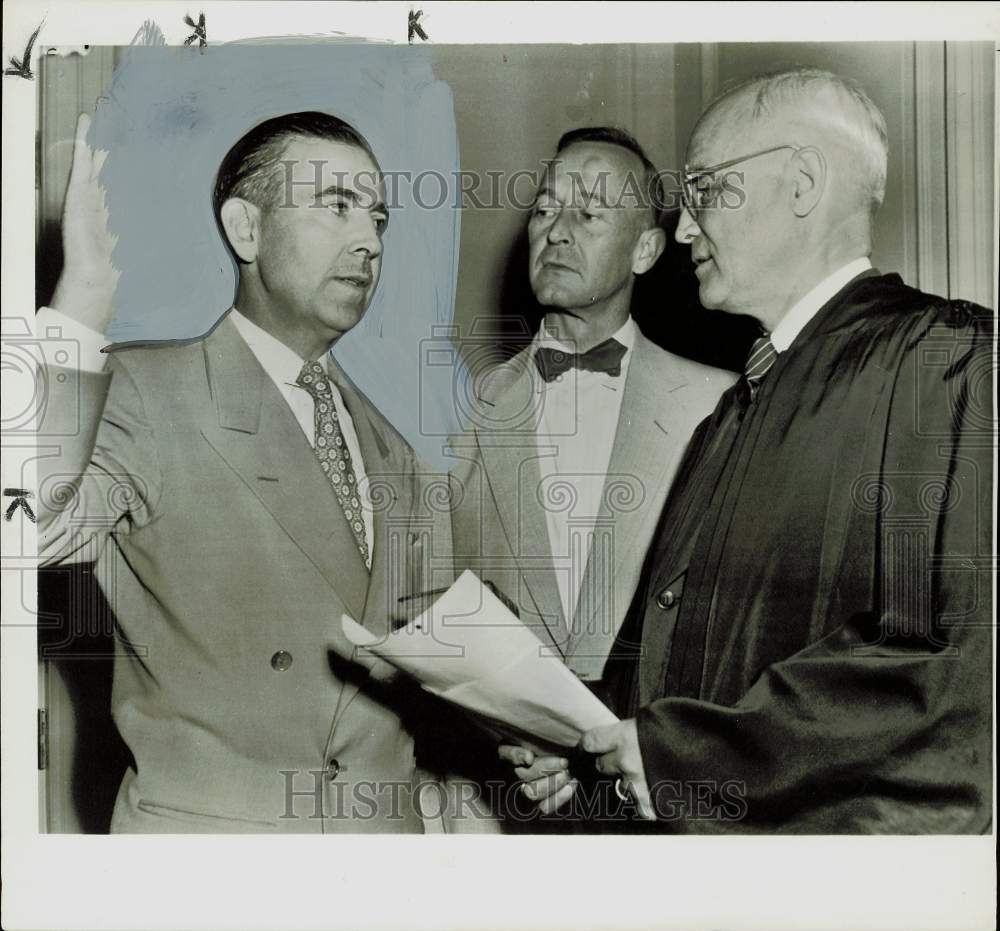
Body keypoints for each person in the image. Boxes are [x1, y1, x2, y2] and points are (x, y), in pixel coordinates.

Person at [521, 68, 993, 832]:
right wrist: (585, 748)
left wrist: (684, 757)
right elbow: (673, 670)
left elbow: (948, 675)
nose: (681, 229)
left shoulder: (946, 358)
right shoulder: (729, 412)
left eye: (704, 188)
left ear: (802, 181)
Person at [35, 111, 449, 833]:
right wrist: (81, 305)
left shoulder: (394, 450)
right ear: (246, 228)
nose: (368, 241)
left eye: (378, 217)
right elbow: (28, 529)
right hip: (216, 859)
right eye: (336, 205)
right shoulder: (147, 390)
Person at [446, 127, 734, 828]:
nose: (557, 231)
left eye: (590, 212)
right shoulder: (459, 411)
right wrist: (507, 733)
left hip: (663, 803)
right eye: (545, 209)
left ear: (645, 249)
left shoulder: (721, 404)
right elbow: (431, 608)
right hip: (499, 803)